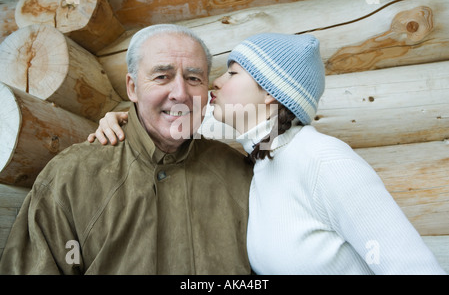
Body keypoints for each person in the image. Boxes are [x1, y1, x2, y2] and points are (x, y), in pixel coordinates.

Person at [92, 32, 446, 274]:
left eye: (232, 72)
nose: (216, 81)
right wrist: (123, 120)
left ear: (270, 94)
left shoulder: (323, 160)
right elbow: (171, 124)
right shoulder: (261, 158)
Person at [0, 24, 253, 275]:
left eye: (194, 78)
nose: (180, 93)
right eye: (162, 76)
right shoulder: (71, 177)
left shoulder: (240, 175)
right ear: (132, 87)